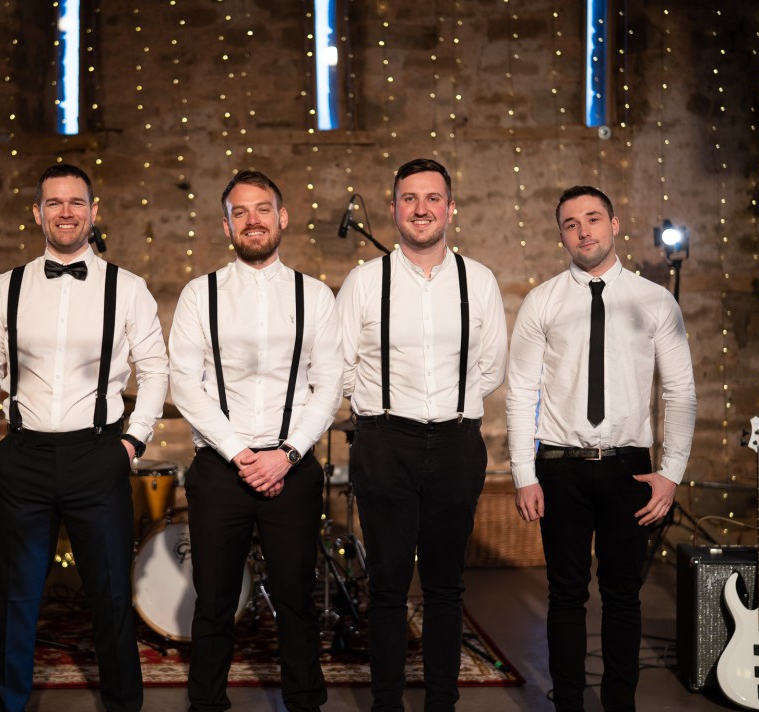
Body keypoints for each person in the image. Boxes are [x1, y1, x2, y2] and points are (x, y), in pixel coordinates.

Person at [0, 164, 168, 712]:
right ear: (36, 213)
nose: (65, 212)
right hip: (23, 458)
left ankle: (124, 705)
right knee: (13, 600)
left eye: (76, 202)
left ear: (93, 211)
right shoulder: (4, 287)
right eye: (53, 203)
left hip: (97, 455)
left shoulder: (127, 288)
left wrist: (132, 443)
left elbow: (155, 368)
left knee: (110, 599)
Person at [506, 185, 697, 711]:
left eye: (593, 219)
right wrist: (524, 472)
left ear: (615, 225)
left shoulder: (655, 301)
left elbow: (679, 390)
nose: (583, 230)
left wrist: (671, 471)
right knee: (565, 596)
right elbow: (521, 390)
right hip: (560, 467)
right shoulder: (541, 301)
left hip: (628, 470)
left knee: (622, 597)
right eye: (571, 223)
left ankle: (620, 706)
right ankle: (567, 702)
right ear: (561, 234)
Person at [336, 158, 507, 711]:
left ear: (450, 208)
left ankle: (441, 703)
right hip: (385, 442)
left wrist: (451, 405)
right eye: (410, 198)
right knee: (386, 586)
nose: (421, 208)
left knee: (445, 586)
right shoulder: (365, 281)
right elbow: (339, 365)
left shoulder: (478, 280)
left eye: (432, 198)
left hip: (457, 443)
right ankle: (387, 703)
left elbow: (492, 366)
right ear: (394, 209)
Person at [169, 170, 342, 712]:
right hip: (221, 468)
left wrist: (285, 455)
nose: (253, 221)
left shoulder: (314, 295)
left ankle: (305, 704)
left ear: (282, 217)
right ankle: (207, 705)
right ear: (226, 225)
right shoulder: (201, 295)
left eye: (262, 209)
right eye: (240, 212)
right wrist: (244, 456)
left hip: (293, 468)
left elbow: (329, 384)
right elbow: (185, 385)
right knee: (214, 603)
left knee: (296, 600)